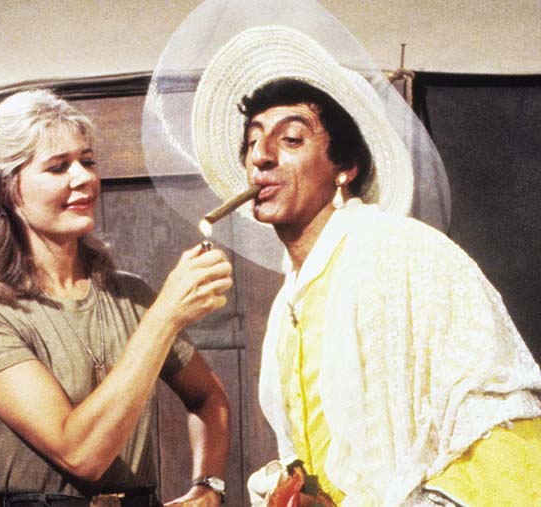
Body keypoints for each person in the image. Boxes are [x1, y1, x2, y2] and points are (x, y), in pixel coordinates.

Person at [191, 25, 541, 507]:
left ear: (345, 167)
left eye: (290, 138)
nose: (261, 157)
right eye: (252, 142)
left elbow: (504, 423)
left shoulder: (406, 255)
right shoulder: (290, 299)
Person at [0, 90, 233, 507]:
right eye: (58, 167)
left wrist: (209, 486)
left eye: (88, 161)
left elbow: (209, 397)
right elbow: (81, 455)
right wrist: (165, 317)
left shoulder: (130, 296)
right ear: (7, 190)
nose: (84, 178)